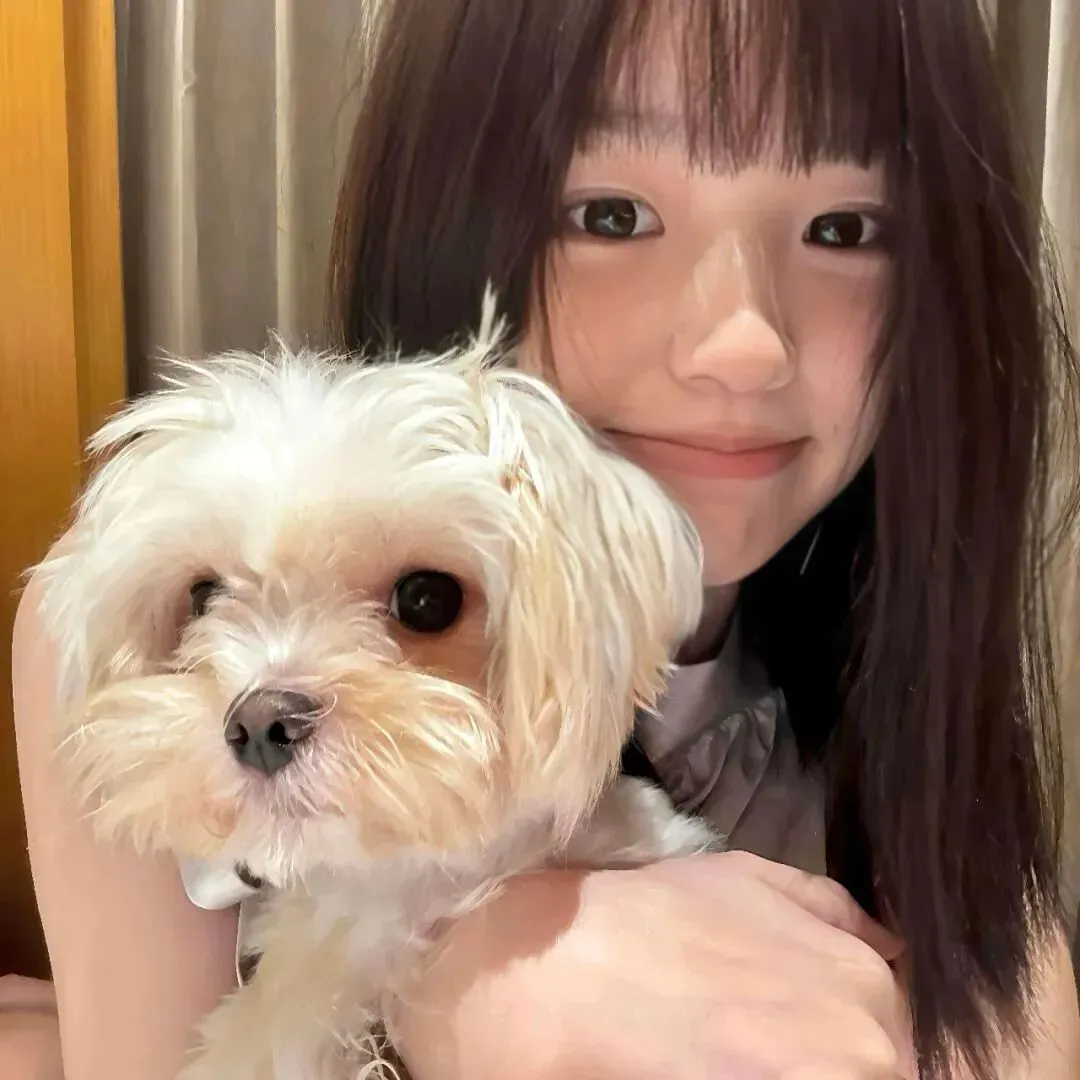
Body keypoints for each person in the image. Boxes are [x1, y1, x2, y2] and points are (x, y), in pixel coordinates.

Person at [12, 0, 1080, 1077]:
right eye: (612, 215)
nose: (743, 344)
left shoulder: (918, 724)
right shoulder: (126, 638)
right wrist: (451, 991)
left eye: (844, 229)